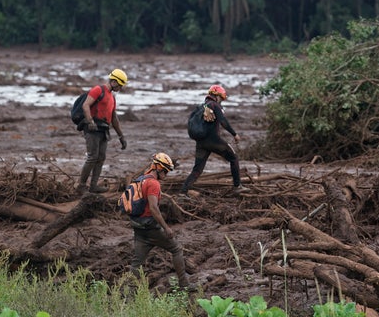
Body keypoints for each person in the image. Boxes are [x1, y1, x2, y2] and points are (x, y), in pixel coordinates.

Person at [129, 153, 194, 290]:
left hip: (138, 227)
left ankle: (128, 293)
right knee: (176, 249)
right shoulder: (153, 184)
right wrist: (166, 228)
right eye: (165, 170)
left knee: (136, 263)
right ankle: (184, 284)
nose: (166, 174)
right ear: (157, 168)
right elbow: (154, 208)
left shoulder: (140, 180)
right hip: (151, 228)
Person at [180, 85, 250, 196]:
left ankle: (183, 192)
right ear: (216, 96)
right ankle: (237, 186)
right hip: (213, 141)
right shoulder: (214, 105)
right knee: (234, 158)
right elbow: (223, 121)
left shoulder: (201, 106)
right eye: (221, 99)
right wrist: (234, 134)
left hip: (201, 143)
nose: (221, 101)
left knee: (197, 169)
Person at [77, 69, 128, 194]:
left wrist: (121, 136)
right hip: (92, 128)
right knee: (92, 157)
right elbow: (86, 105)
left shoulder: (112, 97)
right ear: (114, 82)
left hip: (103, 130)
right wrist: (90, 121)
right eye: (120, 85)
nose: (120, 88)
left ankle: (93, 186)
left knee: (101, 158)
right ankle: (81, 186)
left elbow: (114, 118)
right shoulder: (98, 90)